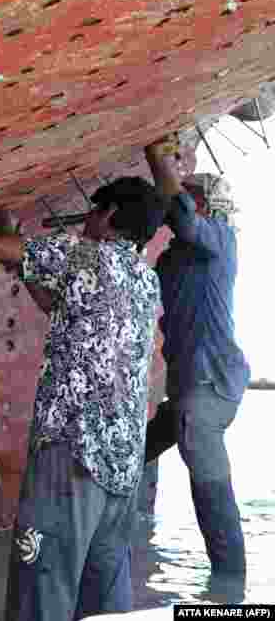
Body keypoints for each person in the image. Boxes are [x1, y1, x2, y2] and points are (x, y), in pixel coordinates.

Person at [0, 177, 166, 621]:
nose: (86, 223)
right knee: (101, 599)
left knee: (42, 587)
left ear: (112, 215)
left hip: (73, 452)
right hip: (122, 465)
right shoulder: (146, 279)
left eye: (93, 212)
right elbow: (57, 305)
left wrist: (3, 226)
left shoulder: (83, 254)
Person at [143, 135, 251, 574]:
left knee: (210, 494)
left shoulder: (219, 240)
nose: (179, 205)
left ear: (205, 206)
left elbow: (185, 220)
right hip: (193, 385)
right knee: (133, 455)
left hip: (207, 387)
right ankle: (123, 527)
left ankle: (230, 593)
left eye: (188, 199)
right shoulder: (174, 258)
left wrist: (156, 156)